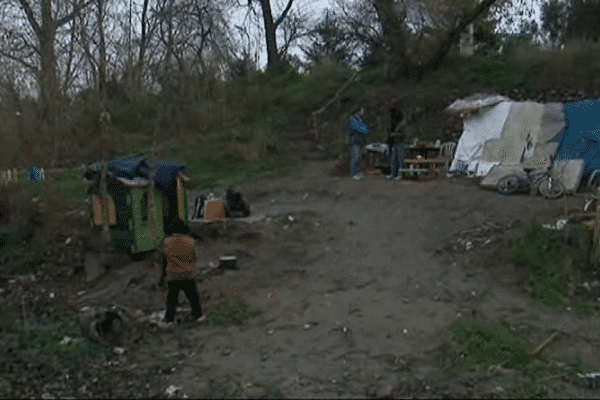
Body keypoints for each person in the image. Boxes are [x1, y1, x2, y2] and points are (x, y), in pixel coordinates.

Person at [161, 219, 205, 325]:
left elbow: (164, 261)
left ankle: (169, 319)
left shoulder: (167, 242)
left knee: (172, 299)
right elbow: (194, 259)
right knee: (193, 297)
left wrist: (162, 277)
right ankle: (198, 315)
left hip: (173, 276)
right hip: (188, 274)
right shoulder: (190, 241)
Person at [347, 107, 370, 180]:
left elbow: (366, 129)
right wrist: (364, 129)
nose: (364, 112)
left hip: (361, 141)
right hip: (355, 140)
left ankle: (358, 172)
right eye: (362, 110)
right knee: (355, 157)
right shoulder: (353, 119)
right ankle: (354, 173)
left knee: (359, 157)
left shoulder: (361, 119)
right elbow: (360, 129)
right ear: (358, 111)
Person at [386, 108, 406, 180]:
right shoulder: (394, 124)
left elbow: (403, 134)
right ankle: (393, 173)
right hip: (394, 142)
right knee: (393, 159)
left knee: (399, 159)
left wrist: (395, 134)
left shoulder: (402, 124)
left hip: (400, 142)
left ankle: (399, 174)